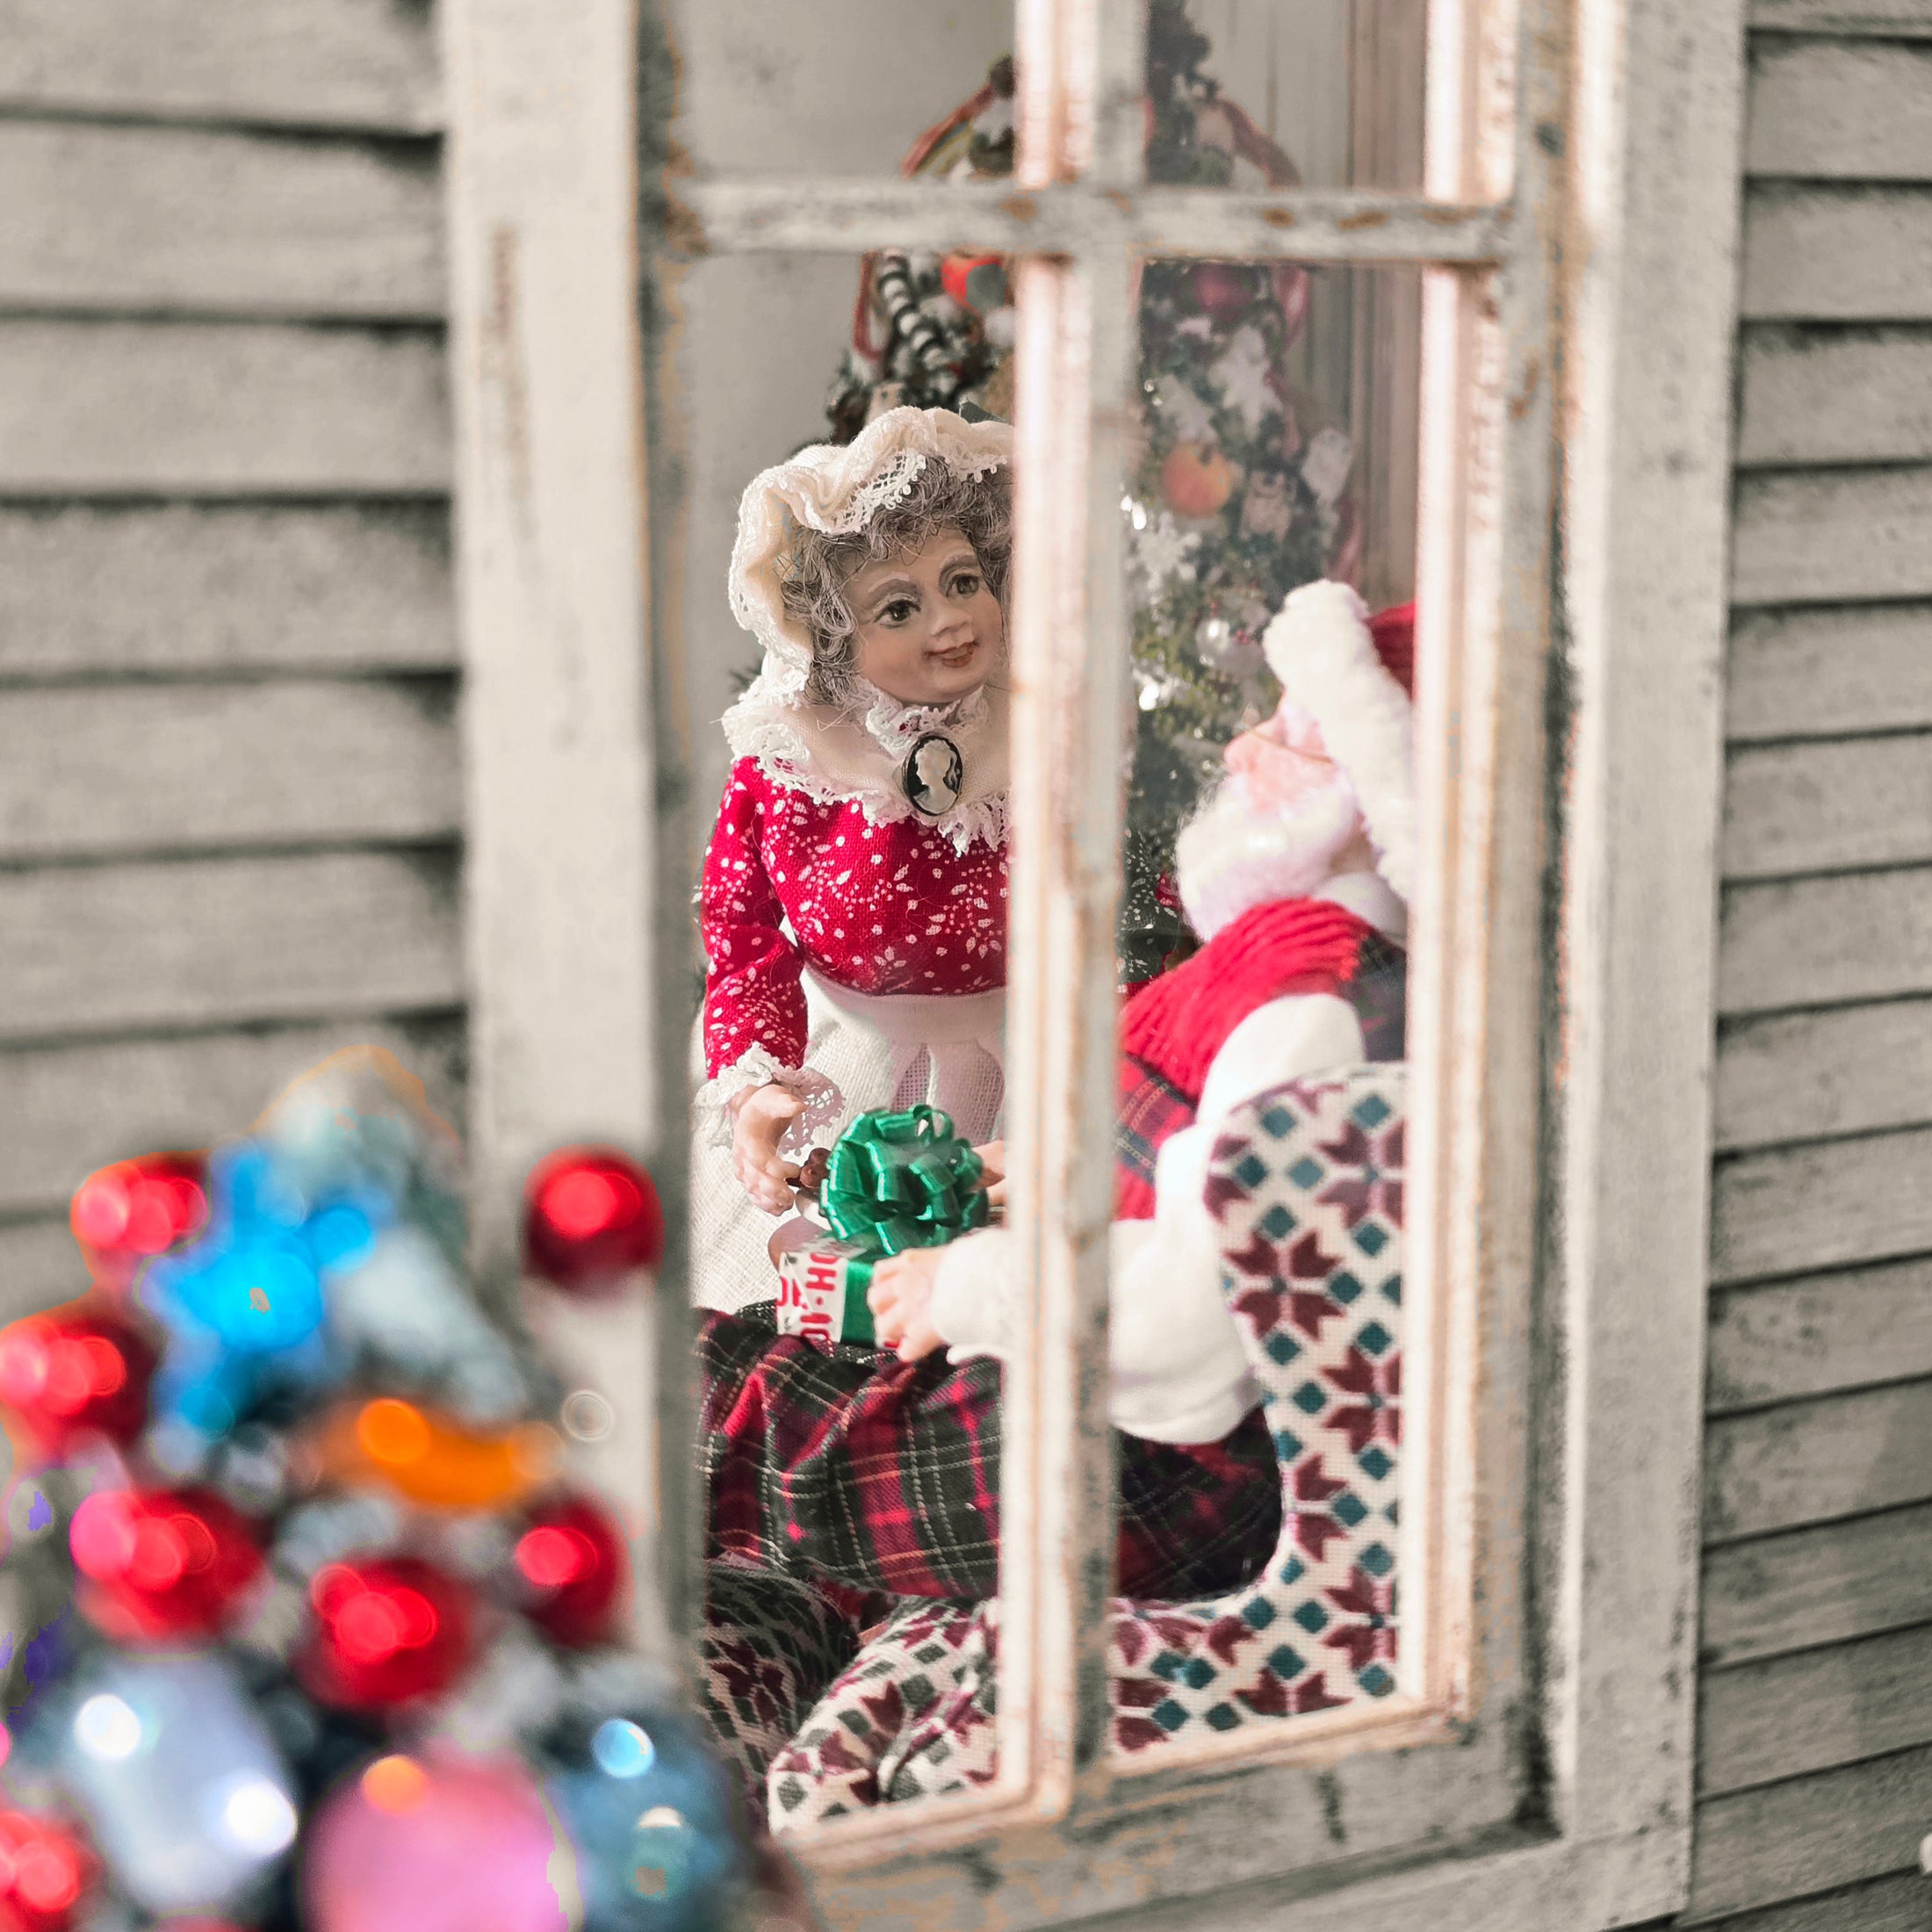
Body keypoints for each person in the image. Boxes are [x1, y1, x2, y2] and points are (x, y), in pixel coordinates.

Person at [702, 578, 1415, 1601]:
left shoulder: (1314, 1000)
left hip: (1143, 1448)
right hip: (1094, 1360)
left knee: (726, 1403)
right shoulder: (1301, 963)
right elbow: (1195, 1169)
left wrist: (974, 1285)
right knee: (784, 1339)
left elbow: (1209, 1306)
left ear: (1370, 777)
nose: (1243, 744)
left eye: (1292, 727)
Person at [692, 407, 1015, 1314]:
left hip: (1028, 1065)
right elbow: (742, 928)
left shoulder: (1041, 732)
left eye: (963, 581)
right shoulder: (790, 758)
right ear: (834, 634)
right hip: (850, 1065)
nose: (949, 621)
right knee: (831, 1302)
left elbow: (1107, 900)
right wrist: (760, 1087)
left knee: (991, 1305)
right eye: (900, 606)